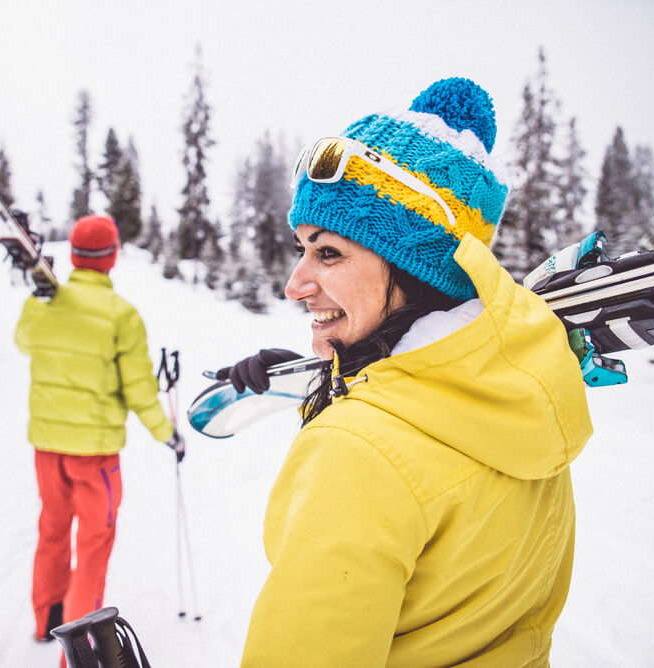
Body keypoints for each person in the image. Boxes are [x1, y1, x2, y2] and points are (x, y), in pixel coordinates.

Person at [221, 78, 593, 667]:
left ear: (416, 269)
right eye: (301, 250)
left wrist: (345, 415)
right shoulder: (522, 406)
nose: (294, 284)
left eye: (329, 252)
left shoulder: (354, 454)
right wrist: (324, 379)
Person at [14, 214, 185, 642]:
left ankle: (46, 622)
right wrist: (167, 433)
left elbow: (23, 340)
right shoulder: (121, 315)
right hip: (95, 456)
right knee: (93, 544)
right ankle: (78, 649)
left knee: (52, 530)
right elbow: (140, 390)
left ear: (72, 254)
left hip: (47, 448)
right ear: (113, 256)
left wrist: (41, 300)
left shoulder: (45, 300)